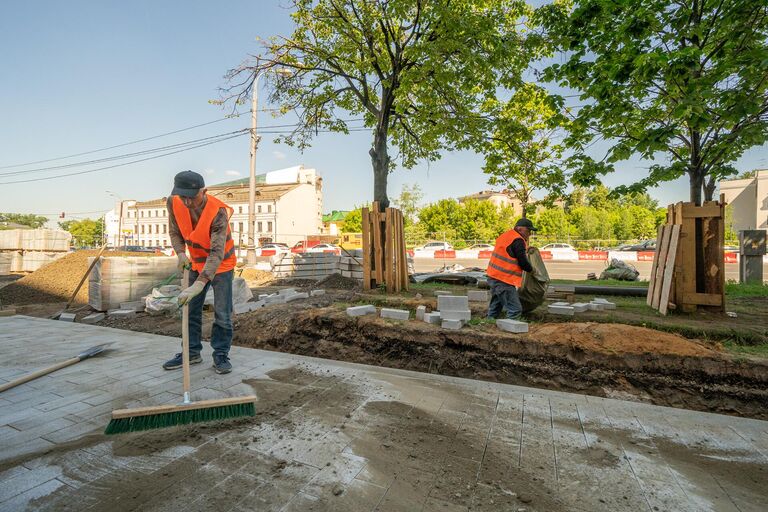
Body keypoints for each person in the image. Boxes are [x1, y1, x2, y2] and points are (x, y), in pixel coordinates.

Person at [162, 170, 237, 374]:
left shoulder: (218, 212)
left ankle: (220, 354)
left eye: (191, 197)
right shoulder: (173, 202)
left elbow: (216, 252)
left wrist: (199, 283)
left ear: (204, 191)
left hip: (221, 265)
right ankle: (191, 352)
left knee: (222, 313)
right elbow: (175, 231)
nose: (187, 202)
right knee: (190, 309)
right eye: (182, 196)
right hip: (194, 263)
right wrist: (180, 253)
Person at [486, 218, 536, 320]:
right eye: (528, 231)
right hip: (504, 280)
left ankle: (488, 326)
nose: (529, 234)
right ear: (520, 229)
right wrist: (532, 270)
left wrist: (525, 249)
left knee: (495, 308)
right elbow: (522, 262)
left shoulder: (507, 235)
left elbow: (510, 250)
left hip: (494, 276)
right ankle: (510, 330)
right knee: (515, 309)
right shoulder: (518, 240)